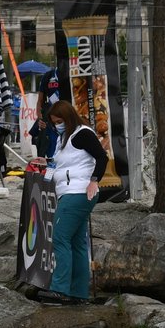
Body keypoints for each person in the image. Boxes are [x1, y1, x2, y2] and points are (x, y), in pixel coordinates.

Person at [35, 100, 106, 305]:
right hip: (72, 192)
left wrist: (94, 181)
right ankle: (78, 292)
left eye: (59, 121)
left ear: (68, 118)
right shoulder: (64, 138)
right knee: (77, 243)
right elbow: (69, 162)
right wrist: (47, 163)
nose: (56, 125)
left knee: (60, 238)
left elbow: (101, 157)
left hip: (77, 193)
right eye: (54, 122)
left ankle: (60, 289)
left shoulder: (83, 133)